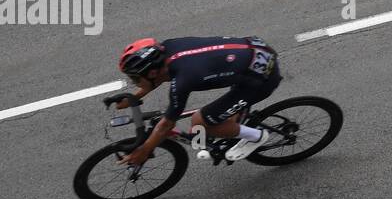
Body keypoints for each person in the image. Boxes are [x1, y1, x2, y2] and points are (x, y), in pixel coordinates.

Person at [114, 35, 283, 166]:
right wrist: (134, 98)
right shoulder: (168, 49)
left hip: (260, 79)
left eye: (135, 79)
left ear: (151, 72)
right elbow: (158, 77)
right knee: (214, 121)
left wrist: (144, 151)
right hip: (253, 54)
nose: (134, 83)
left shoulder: (183, 80)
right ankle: (218, 136)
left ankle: (257, 136)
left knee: (199, 122)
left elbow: (166, 125)